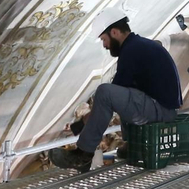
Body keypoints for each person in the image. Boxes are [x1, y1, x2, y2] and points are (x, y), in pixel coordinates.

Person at [49, 9, 181, 172]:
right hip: (162, 108)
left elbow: (109, 98)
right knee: (122, 94)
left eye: (104, 39)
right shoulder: (139, 46)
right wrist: (81, 124)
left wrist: (82, 123)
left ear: (114, 32)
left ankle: (83, 154)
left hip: (160, 109)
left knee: (105, 91)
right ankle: (134, 146)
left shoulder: (132, 50)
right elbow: (123, 95)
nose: (104, 45)